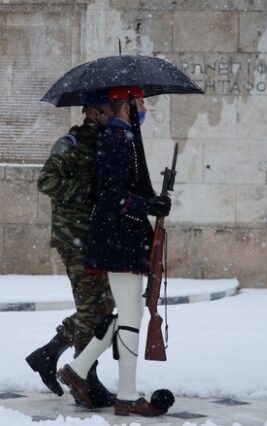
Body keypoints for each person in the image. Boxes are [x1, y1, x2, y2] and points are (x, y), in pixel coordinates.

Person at [56, 86, 172, 417]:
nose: (145, 109)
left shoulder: (124, 139)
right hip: (118, 240)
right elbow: (111, 197)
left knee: (128, 314)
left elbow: (127, 191)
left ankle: (79, 370)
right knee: (132, 317)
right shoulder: (116, 141)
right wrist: (148, 204)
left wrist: (154, 200)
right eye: (141, 104)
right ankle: (127, 394)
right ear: (128, 108)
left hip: (124, 240)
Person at [25, 90, 117, 407]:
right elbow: (46, 182)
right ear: (93, 112)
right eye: (110, 107)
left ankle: (48, 354)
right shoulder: (71, 144)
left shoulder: (110, 143)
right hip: (75, 237)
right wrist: (86, 189)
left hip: (99, 238)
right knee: (94, 311)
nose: (115, 111)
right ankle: (86, 380)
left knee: (101, 308)